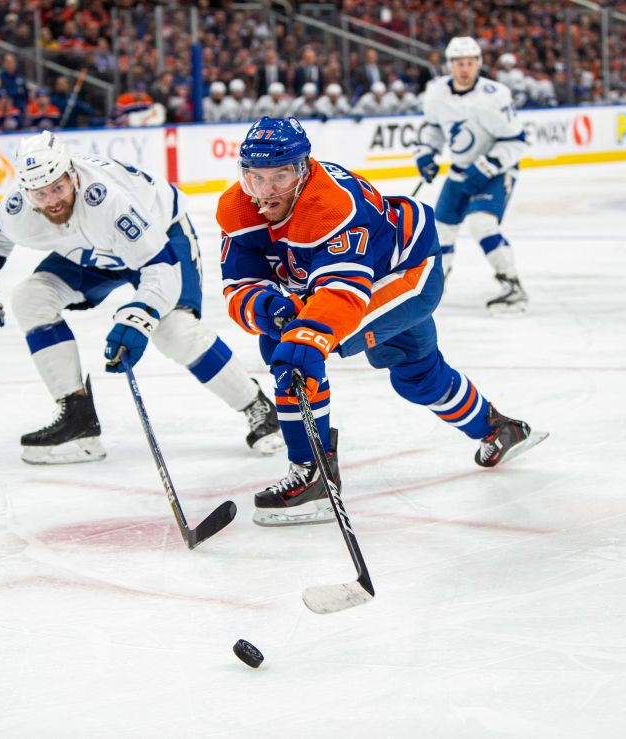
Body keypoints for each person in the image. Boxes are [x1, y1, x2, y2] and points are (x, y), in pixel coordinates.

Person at [216, 117, 544, 526]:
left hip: (406, 270)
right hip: (368, 271)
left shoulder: (331, 205)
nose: (265, 191)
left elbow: (344, 291)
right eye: (255, 177)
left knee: (297, 353)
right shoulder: (237, 207)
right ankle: (499, 429)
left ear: (303, 170)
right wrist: (264, 306)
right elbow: (240, 283)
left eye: (280, 175)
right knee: (417, 376)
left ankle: (313, 473)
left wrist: (304, 332)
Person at [0, 131, 283, 465]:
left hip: (159, 238)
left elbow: (160, 267)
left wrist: (140, 316)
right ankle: (77, 418)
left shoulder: (107, 201)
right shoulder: (16, 209)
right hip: (92, 252)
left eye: (59, 187)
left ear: (72, 175)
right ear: (26, 194)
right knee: (30, 297)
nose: (53, 201)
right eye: (41, 195)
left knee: (174, 331)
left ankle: (256, 405)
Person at [415, 36, 530, 314]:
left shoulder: (495, 95)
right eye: (458, 63)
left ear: (478, 64)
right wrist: (426, 153)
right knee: (440, 231)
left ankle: (512, 285)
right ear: (449, 65)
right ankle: (434, 287)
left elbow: (516, 140)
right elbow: (433, 129)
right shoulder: (436, 92)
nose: (464, 69)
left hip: (495, 170)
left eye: (469, 63)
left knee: (482, 224)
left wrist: (489, 163)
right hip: (460, 169)